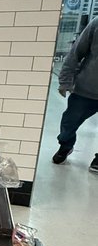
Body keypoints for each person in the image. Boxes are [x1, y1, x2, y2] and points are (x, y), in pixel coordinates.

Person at [54, 18, 98, 173]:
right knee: (69, 123)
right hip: (86, 88)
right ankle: (66, 145)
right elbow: (76, 52)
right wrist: (65, 81)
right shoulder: (97, 23)